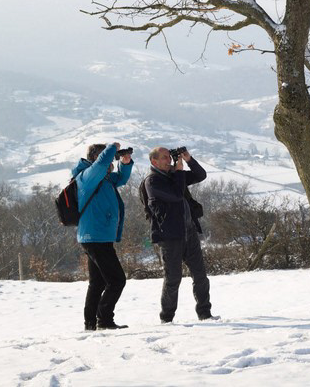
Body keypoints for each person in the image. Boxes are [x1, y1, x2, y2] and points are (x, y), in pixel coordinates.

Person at [141, 146, 212, 323]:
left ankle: (205, 314)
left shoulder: (174, 175)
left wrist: (188, 159)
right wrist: (179, 172)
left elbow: (200, 175)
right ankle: (167, 318)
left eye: (169, 157)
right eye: (164, 158)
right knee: (173, 278)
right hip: (170, 235)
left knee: (200, 275)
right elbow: (176, 194)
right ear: (154, 161)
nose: (169, 160)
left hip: (189, 230)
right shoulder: (152, 181)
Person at [73, 142, 134, 331]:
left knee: (98, 282)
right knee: (117, 280)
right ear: (95, 158)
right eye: (108, 158)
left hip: (98, 236)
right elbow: (100, 165)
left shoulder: (104, 179)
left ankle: (90, 323)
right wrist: (111, 148)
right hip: (95, 237)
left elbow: (121, 178)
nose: (110, 162)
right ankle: (104, 320)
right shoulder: (87, 176)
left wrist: (125, 162)